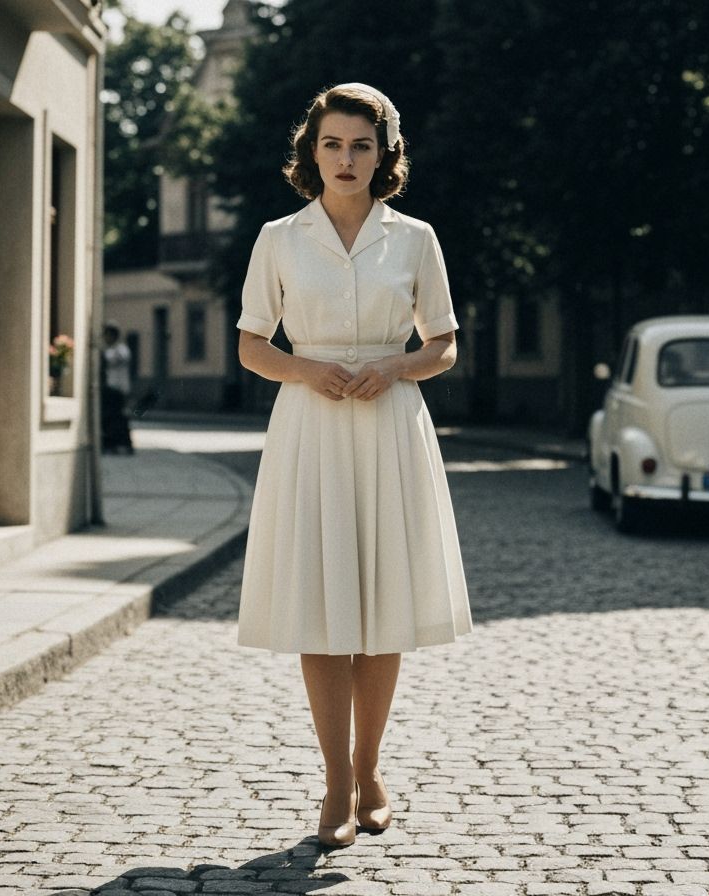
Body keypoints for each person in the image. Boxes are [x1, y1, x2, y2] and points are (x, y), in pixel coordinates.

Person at [234, 84, 471, 849]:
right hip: (310, 430)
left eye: (361, 145)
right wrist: (305, 370)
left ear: (385, 154)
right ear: (312, 150)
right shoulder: (279, 237)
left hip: (389, 430)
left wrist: (397, 367)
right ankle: (334, 783)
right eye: (332, 144)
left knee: (381, 614)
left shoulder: (416, 238)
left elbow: (443, 343)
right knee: (320, 608)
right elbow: (250, 343)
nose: (346, 158)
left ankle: (371, 770)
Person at [100, 321, 134, 454]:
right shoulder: (111, 349)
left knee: (119, 419)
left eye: (107, 335)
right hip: (110, 389)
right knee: (110, 419)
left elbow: (113, 358)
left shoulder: (121, 350)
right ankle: (112, 444)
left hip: (118, 389)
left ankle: (123, 445)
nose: (105, 338)